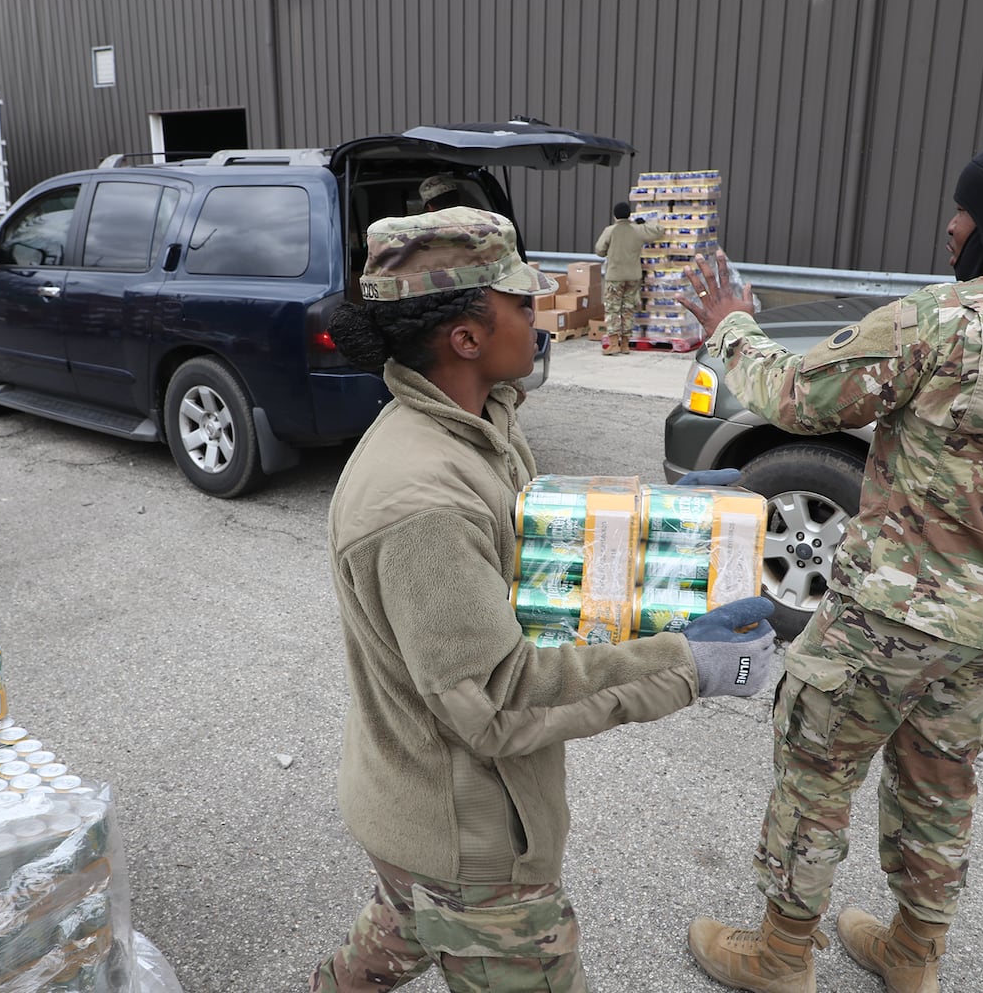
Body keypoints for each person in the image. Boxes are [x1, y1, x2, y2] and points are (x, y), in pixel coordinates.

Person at [676, 129, 983, 993]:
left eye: (965, 207)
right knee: (940, 781)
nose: (951, 226)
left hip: (884, 622)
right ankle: (913, 952)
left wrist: (731, 328)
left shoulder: (940, 322)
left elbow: (797, 397)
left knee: (818, 770)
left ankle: (781, 958)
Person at [311, 206, 779, 992]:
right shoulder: (423, 501)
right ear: (465, 337)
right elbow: (496, 705)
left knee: (406, 920)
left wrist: (657, 524)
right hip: (471, 850)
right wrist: (688, 666)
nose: (543, 318)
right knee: (438, 914)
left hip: (417, 807)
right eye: (524, 305)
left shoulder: (476, 419)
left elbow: (530, 535)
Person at [592, 201, 664, 355]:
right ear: (629, 215)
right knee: (628, 309)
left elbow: (599, 250)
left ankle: (613, 344)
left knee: (613, 309)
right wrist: (643, 224)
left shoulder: (610, 230)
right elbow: (659, 230)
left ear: (615, 216)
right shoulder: (637, 230)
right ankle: (625, 344)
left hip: (615, 276)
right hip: (633, 276)